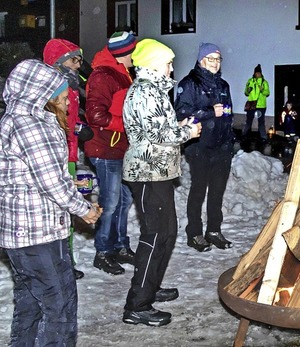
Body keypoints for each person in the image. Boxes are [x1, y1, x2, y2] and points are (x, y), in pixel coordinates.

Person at [0, 59, 101, 346]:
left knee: (31, 305)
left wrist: (70, 184)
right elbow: (49, 182)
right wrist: (85, 210)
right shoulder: (31, 125)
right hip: (36, 234)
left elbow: (29, 176)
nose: (68, 100)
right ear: (42, 93)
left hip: (28, 232)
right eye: (62, 94)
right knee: (60, 309)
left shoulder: (17, 119)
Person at [121, 38, 201, 326]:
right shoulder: (145, 93)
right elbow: (158, 137)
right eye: (168, 63)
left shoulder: (153, 91)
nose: (171, 68)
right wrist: (188, 132)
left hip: (159, 171)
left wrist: (178, 126)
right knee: (155, 236)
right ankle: (137, 305)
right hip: (147, 172)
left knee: (167, 233)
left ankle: (150, 287)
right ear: (154, 64)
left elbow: (158, 129)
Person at [85, 31, 137, 275]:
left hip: (119, 148)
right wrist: (126, 123)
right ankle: (103, 252)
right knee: (111, 201)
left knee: (124, 200)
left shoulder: (122, 73)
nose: (136, 56)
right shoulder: (103, 76)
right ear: (123, 53)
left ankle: (119, 245)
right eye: (133, 51)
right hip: (105, 149)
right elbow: (95, 115)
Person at [175, 42, 234, 252]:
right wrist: (209, 111)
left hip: (222, 147)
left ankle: (214, 231)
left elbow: (228, 114)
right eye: (211, 59)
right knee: (198, 190)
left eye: (218, 59)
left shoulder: (223, 85)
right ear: (201, 60)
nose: (215, 63)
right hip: (199, 145)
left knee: (217, 191)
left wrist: (229, 140)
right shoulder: (189, 83)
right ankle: (195, 233)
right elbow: (181, 114)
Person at [43, 38, 89, 280]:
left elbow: (70, 119)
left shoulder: (71, 85)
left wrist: (79, 128)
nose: (78, 66)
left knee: (66, 213)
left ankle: (66, 261)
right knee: (58, 210)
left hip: (69, 152)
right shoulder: (48, 89)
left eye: (79, 60)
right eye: (74, 60)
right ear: (58, 63)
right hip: (54, 156)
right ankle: (59, 263)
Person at [242, 64, 270, 142]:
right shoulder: (250, 81)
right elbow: (246, 93)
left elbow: (267, 93)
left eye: (259, 73)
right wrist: (248, 90)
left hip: (261, 105)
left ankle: (263, 137)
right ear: (254, 73)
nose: (257, 74)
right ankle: (244, 135)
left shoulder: (264, 82)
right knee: (248, 121)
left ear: (261, 73)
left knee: (261, 122)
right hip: (251, 104)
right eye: (256, 73)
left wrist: (262, 90)